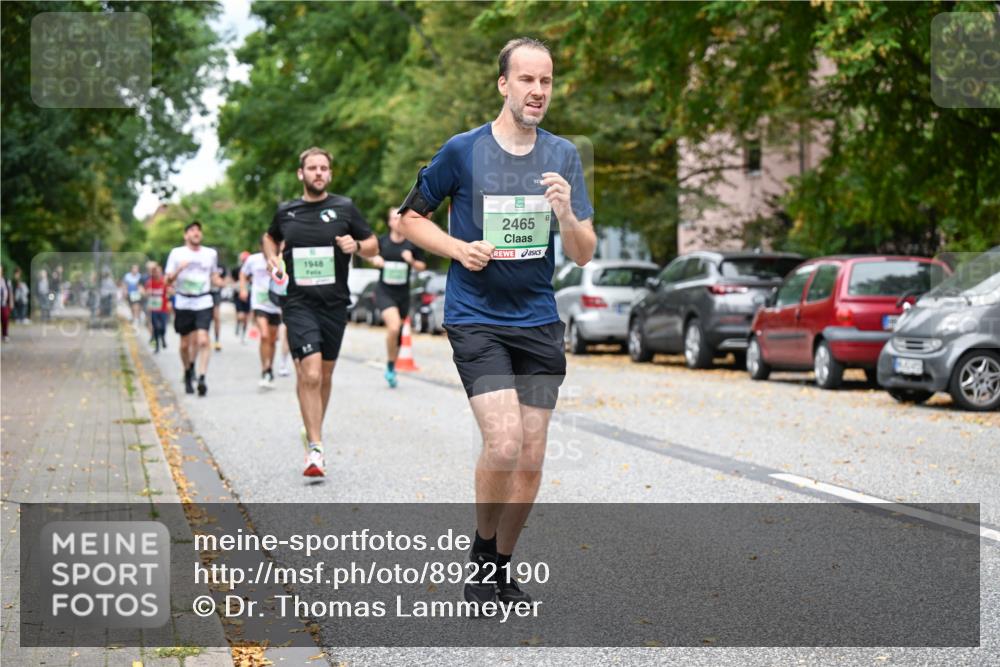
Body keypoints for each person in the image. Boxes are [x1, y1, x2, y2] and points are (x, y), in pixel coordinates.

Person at [397, 37, 596, 608]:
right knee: (505, 443)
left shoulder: (562, 156)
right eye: (527, 80)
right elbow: (410, 219)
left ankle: (497, 567)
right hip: (476, 318)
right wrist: (458, 249)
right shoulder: (463, 151)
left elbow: (582, 252)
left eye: (547, 81)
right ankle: (483, 550)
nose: (538, 91)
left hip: (537, 322)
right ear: (503, 85)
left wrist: (564, 211)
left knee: (532, 456)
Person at [263, 146, 377, 477]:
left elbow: (372, 244)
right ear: (301, 174)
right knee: (309, 372)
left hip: (334, 304)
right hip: (298, 302)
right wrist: (272, 257)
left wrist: (356, 246)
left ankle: (314, 430)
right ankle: (315, 449)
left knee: (324, 374)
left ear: (330, 174)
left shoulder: (344, 208)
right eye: (312, 168)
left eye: (323, 168)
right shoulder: (287, 212)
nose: (318, 173)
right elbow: (269, 239)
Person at [366, 207, 427, 387]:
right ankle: (390, 367)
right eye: (394, 218)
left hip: (403, 294)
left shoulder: (411, 244)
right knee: (393, 328)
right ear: (389, 222)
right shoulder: (382, 242)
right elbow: (368, 252)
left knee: (398, 334)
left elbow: (422, 266)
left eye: (400, 218)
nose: (397, 221)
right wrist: (374, 260)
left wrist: (412, 261)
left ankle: (391, 365)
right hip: (384, 292)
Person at [165, 221, 221, 396]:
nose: (196, 233)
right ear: (186, 235)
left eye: (198, 230)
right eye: (192, 230)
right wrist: (178, 270)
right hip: (183, 301)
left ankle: (202, 377)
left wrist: (222, 282)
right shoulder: (176, 253)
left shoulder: (210, 254)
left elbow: (214, 276)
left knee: (203, 340)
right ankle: (188, 371)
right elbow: (168, 281)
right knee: (184, 345)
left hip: (203, 300)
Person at [240, 247, 283, 388]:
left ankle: (269, 366)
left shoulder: (281, 259)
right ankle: (265, 369)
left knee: (272, 339)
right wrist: (243, 289)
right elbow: (243, 273)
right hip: (259, 303)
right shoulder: (253, 259)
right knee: (264, 335)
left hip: (275, 304)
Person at [146, 264, 170, 353]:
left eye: (160, 272)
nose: (158, 274)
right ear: (153, 273)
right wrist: (148, 292)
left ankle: (163, 337)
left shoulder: (164, 281)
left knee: (163, 327)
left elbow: (170, 291)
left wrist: (170, 293)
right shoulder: (150, 282)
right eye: (156, 272)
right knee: (156, 327)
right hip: (154, 308)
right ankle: (157, 346)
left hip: (163, 308)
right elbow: (147, 292)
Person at [233, 251, 252, 344]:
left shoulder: (252, 270)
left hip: (249, 294)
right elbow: (232, 280)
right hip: (238, 294)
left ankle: (243, 335)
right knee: (240, 315)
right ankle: (237, 324)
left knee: (246, 317)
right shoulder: (236, 269)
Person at [210, 262, 225, 351]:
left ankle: (217, 340)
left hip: (216, 294)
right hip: (204, 293)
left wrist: (218, 281)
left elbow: (225, 281)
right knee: (206, 318)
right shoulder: (204, 264)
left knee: (216, 317)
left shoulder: (221, 266)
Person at [0, 266, 12, 342]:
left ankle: (5, 335)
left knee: (5, 318)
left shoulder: (6, 280)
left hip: (4, 303)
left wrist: (11, 302)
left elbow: (10, 292)